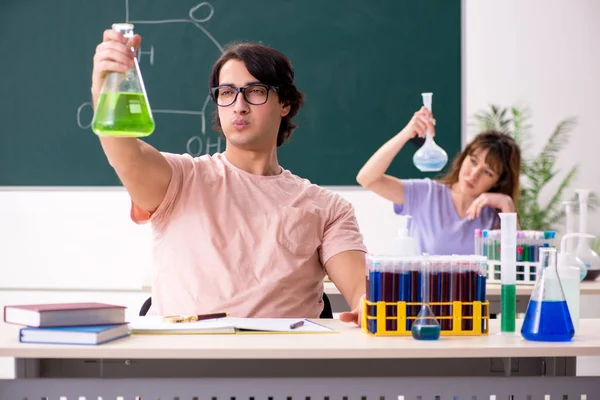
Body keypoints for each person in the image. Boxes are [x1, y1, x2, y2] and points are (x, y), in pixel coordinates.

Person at [91, 30, 366, 324]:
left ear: (284, 103)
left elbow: (361, 292)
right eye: (226, 92)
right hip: (185, 358)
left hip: (282, 361)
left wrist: (367, 305)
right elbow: (126, 154)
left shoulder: (327, 208)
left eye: (255, 91)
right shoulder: (181, 179)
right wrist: (106, 88)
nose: (239, 106)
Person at [356, 106, 521, 255]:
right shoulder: (426, 194)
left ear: (499, 181)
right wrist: (407, 133)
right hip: (422, 288)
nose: (474, 174)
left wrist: (506, 204)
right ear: (463, 158)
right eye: (473, 161)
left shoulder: (493, 216)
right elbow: (367, 178)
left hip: (473, 290)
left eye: (488, 172)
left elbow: (515, 263)